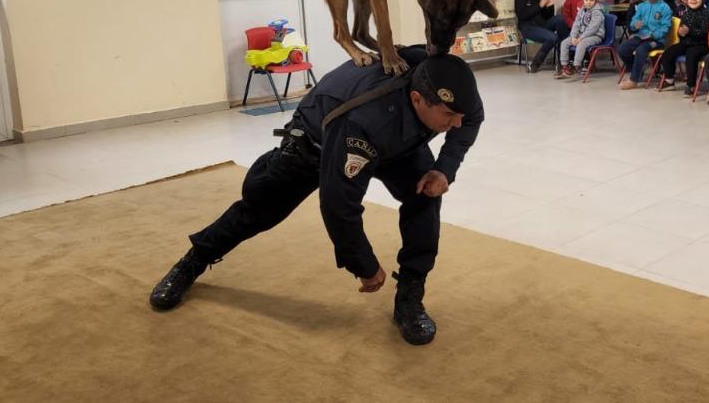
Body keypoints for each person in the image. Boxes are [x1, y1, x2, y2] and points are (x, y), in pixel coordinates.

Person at [148, 48, 483, 347]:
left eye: (458, 116)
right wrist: (364, 265)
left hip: (396, 141)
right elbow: (340, 205)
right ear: (417, 99)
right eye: (447, 117)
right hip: (319, 144)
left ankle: (410, 296)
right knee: (259, 210)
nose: (456, 124)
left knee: (425, 194)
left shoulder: (448, 83)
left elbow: (471, 119)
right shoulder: (363, 118)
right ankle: (193, 261)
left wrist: (444, 170)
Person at [618, 0, 673, 90]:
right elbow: (634, 20)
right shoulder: (642, 6)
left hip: (656, 40)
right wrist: (634, 25)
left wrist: (654, 35)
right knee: (623, 48)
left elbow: (665, 27)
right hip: (641, 36)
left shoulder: (665, 7)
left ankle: (634, 80)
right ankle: (637, 68)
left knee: (641, 49)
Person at [657, 0, 709, 95]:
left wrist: (689, 31)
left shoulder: (706, 14)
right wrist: (680, 33)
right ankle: (669, 80)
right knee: (669, 52)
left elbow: (704, 33)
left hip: (701, 45)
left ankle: (691, 85)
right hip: (687, 42)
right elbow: (681, 32)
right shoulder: (686, 14)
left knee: (691, 55)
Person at [515, 0, 566, 73]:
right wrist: (540, 5)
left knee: (561, 19)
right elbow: (521, 15)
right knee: (552, 37)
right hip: (528, 26)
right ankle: (535, 64)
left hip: (542, 23)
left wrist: (548, 6)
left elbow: (549, 16)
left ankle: (564, 60)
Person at [557, 0, 606, 79]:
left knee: (582, 44)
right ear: (582, 0)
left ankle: (576, 66)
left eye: (591, 0)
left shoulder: (597, 12)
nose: (588, 2)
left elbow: (593, 28)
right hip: (581, 35)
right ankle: (564, 67)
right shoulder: (582, 10)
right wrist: (573, 37)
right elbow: (576, 24)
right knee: (564, 43)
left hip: (595, 35)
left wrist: (581, 38)